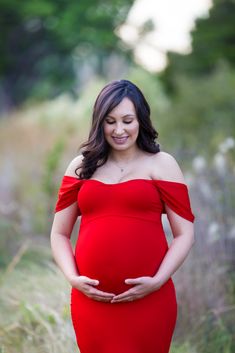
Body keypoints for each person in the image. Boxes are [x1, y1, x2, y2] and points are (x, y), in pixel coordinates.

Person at [50, 79, 195, 353]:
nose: (119, 130)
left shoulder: (162, 164)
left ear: (141, 120)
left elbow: (184, 233)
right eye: (110, 121)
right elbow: (58, 233)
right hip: (91, 303)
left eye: (127, 120)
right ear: (99, 122)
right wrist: (73, 278)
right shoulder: (81, 167)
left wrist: (158, 281)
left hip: (150, 301)